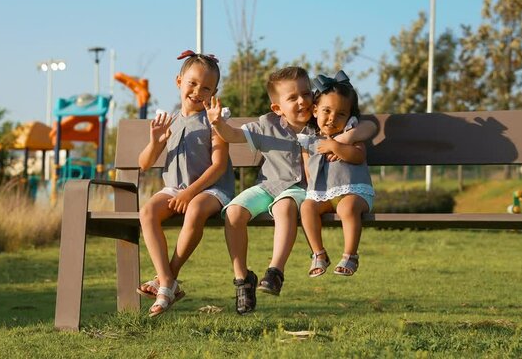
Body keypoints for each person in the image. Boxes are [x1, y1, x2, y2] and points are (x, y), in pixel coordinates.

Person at [206, 66, 377, 314]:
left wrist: (340, 141)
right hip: (266, 186)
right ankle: (242, 279)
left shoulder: (320, 123)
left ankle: (275, 271)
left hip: (298, 190)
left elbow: (368, 127)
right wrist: (217, 123)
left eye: (307, 94)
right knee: (233, 212)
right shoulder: (267, 124)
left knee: (284, 205)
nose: (302, 101)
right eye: (293, 97)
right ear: (277, 108)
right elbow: (232, 135)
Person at [137, 50, 235, 317]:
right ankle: (166, 280)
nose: (197, 91)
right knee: (147, 212)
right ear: (178, 81)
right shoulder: (170, 121)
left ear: (214, 91)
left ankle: (168, 280)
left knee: (195, 209)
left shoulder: (215, 121)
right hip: (176, 188)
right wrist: (156, 142)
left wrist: (191, 193)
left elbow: (219, 166)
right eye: (192, 83)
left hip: (210, 190)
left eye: (206, 87)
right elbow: (144, 163)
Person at [300, 71, 375, 278]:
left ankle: (350, 255)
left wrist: (337, 145)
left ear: (350, 117)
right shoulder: (309, 139)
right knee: (306, 207)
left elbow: (358, 157)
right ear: (315, 111)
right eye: (326, 110)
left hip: (355, 192)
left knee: (347, 207)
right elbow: (308, 170)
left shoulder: (351, 134)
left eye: (341, 114)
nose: (332, 118)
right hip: (323, 194)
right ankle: (318, 253)